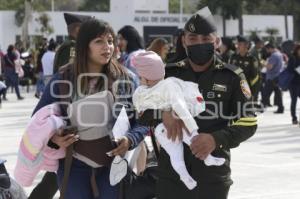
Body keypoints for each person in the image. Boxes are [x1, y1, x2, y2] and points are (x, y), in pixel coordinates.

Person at [137, 7, 257, 199]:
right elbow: (141, 112)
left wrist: (216, 139)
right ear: (184, 41)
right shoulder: (167, 73)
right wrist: (163, 114)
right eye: (193, 38)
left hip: (213, 174)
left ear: (216, 41)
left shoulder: (232, 76)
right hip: (171, 174)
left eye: (205, 38)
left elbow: (249, 122)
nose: (199, 43)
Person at [30, 18, 148, 199]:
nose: (107, 47)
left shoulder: (127, 79)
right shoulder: (62, 79)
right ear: (85, 45)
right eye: (99, 41)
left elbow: (143, 121)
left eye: (110, 41)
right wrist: (54, 138)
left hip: (113, 164)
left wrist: (130, 139)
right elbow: (37, 121)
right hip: (73, 164)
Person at [132, 51, 225, 190]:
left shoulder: (139, 92)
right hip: (177, 122)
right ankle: (208, 158)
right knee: (193, 140)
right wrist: (192, 128)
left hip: (160, 130)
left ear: (145, 78)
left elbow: (141, 113)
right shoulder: (169, 84)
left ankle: (185, 176)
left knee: (175, 154)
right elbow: (179, 106)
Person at [229, 36, 260, 103]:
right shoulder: (233, 57)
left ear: (246, 45)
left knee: (246, 111)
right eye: (237, 44)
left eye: (240, 44)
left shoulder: (252, 59)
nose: (237, 46)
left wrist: (253, 93)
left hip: (246, 88)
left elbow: (255, 77)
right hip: (234, 89)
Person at [262, 42, 284, 113]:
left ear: (270, 48)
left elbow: (269, 66)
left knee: (265, 93)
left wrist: (263, 63)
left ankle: (261, 107)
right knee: (278, 94)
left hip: (272, 78)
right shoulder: (279, 54)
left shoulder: (274, 56)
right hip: (278, 76)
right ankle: (281, 108)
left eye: (267, 50)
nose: (267, 51)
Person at [287, 44, 300, 124]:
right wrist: (296, 69)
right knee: (294, 100)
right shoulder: (293, 58)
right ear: (297, 50)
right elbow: (289, 69)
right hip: (293, 83)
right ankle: (294, 118)